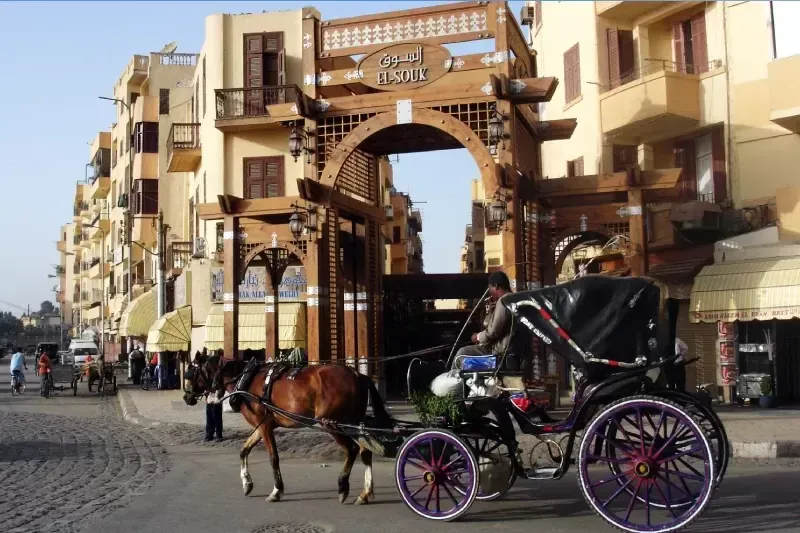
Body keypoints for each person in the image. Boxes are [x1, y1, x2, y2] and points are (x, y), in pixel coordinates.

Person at [455, 271, 514, 364]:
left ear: (496, 286)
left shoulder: (503, 301)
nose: (490, 292)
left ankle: (453, 377)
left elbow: (493, 332)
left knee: (462, 353)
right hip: (505, 349)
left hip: (499, 352)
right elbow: (488, 325)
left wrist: (477, 337)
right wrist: (491, 311)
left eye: (490, 288)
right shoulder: (514, 298)